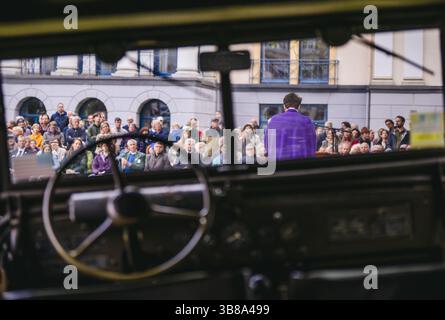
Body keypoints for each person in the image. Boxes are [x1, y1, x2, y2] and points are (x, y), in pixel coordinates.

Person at [265, 93, 316, 160]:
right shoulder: (307, 121)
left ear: (284, 106)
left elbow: (268, 143)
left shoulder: (273, 120)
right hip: (301, 163)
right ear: (299, 106)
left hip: (279, 163)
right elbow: (312, 144)